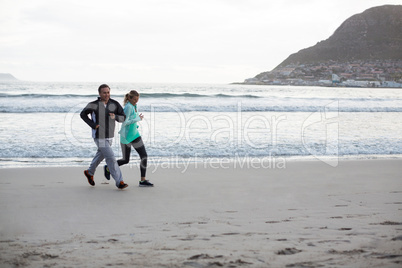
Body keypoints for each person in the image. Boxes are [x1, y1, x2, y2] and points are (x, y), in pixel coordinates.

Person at [80, 84, 128, 189]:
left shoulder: (114, 104)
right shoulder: (93, 104)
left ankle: (89, 172)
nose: (106, 94)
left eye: (108, 92)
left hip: (110, 135)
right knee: (111, 158)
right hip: (98, 135)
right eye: (104, 92)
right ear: (99, 93)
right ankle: (119, 181)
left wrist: (115, 117)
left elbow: (123, 118)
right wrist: (93, 125)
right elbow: (83, 114)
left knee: (100, 155)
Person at [104, 90, 153, 187]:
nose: (136, 101)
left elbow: (132, 120)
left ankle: (142, 181)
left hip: (135, 135)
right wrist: (138, 119)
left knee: (144, 156)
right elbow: (125, 122)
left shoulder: (134, 106)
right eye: (134, 99)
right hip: (126, 137)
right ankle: (108, 168)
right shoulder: (128, 107)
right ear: (129, 98)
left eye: (137, 99)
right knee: (126, 160)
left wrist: (136, 124)